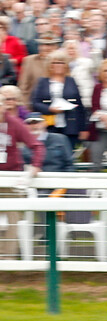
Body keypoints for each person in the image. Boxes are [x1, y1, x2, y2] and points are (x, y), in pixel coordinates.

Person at [0, 94, 45, 259]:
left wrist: (35, 166)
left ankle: (7, 256)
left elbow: (37, 146)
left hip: (10, 176)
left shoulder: (14, 124)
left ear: (4, 107)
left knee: (12, 217)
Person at [30, 50, 87, 149]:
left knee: (68, 153)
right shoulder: (42, 82)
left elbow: (79, 106)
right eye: (55, 62)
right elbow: (35, 102)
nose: (58, 65)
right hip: (49, 126)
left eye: (61, 62)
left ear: (66, 65)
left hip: (70, 126)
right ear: (50, 65)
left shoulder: (71, 81)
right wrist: (50, 109)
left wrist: (83, 128)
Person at [19, 32, 61, 106]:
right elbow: (23, 87)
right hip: (34, 106)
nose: (45, 48)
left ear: (56, 47)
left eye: (49, 45)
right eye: (42, 44)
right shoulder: (29, 61)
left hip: (57, 105)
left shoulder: (61, 62)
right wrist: (25, 107)